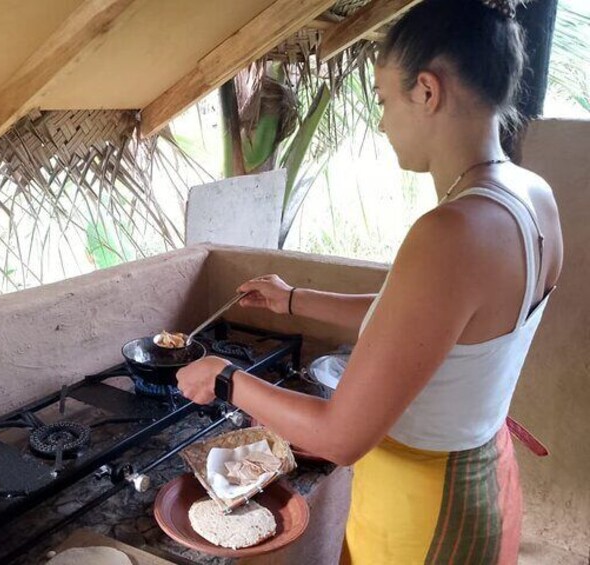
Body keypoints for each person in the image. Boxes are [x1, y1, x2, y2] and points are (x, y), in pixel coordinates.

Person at [176, 0, 563, 562]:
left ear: (427, 92)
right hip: (476, 472)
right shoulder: (531, 195)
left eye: (383, 100)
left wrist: (226, 378)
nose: (381, 122)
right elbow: (420, 326)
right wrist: (292, 301)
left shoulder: (451, 232)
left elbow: (341, 437)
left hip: (425, 508)